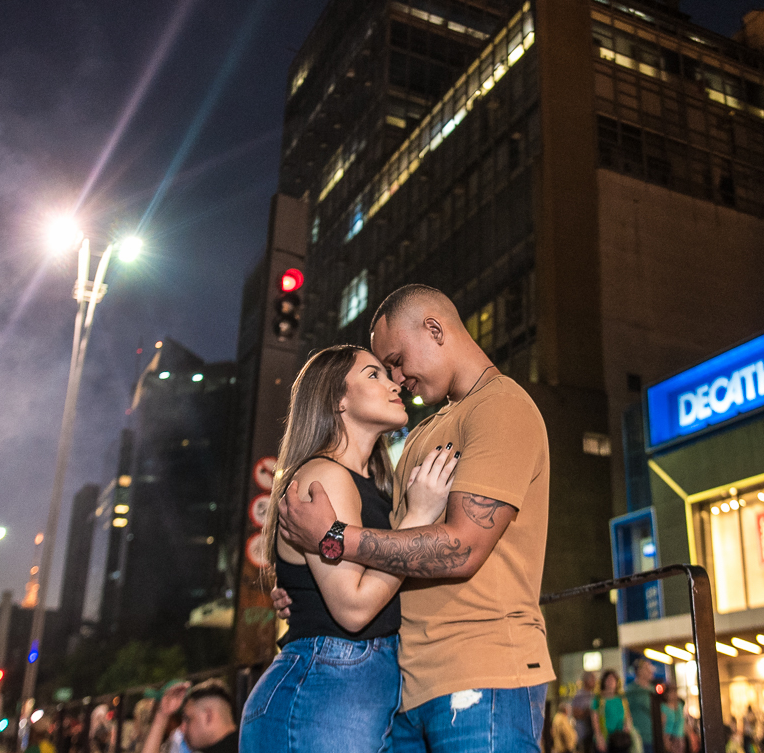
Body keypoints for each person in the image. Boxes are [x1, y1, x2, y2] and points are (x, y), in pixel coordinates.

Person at [274, 285, 555, 751]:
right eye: (385, 370)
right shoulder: (423, 431)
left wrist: (334, 537)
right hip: (404, 690)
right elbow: (391, 556)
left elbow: (461, 547)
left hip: (482, 674)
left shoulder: (501, 406)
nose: (398, 377)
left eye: (398, 360)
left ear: (434, 329)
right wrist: (306, 596)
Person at [239, 344, 454, 753]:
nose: (394, 384)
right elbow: (353, 610)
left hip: (352, 688)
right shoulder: (324, 477)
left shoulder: (368, 484)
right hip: (325, 689)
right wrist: (418, 516)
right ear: (337, 399)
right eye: (373, 375)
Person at [147, 680, 238, 753]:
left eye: (187, 719)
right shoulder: (247, 743)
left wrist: (161, 717)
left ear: (208, 716)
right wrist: (163, 714)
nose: (182, 728)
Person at [593, 670, 632, 753]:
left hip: (621, 739)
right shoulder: (598, 699)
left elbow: (628, 716)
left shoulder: (622, 699)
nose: (611, 682)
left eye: (613, 680)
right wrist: (599, 737)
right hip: (605, 738)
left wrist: (627, 728)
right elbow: (595, 720)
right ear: (603, 682)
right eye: (608, 680)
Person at [626, 660, 657, 753]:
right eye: (647, 669)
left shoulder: (653, 690)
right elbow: (625, 712)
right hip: (639, 738)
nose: (651, 671)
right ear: (639, 671)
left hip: (654, 736)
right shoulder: (631, 691)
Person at [572, 673, 599, 752]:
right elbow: (575, 713)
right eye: (593, 679)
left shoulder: (594, 695)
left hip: (593, 732)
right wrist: (587, 712)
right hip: (583, 733)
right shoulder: (580, 695)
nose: (595, 681)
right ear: (586, 681)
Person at [660, 684, 686, 753]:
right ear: (666, 694)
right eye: (671, 692)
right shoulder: (663, 708)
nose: (673, 694)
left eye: (675, 692)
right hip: (669, 737)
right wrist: (665, 739)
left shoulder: (680, 706)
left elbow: (683, 722)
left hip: (680, 737)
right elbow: (662, 724)